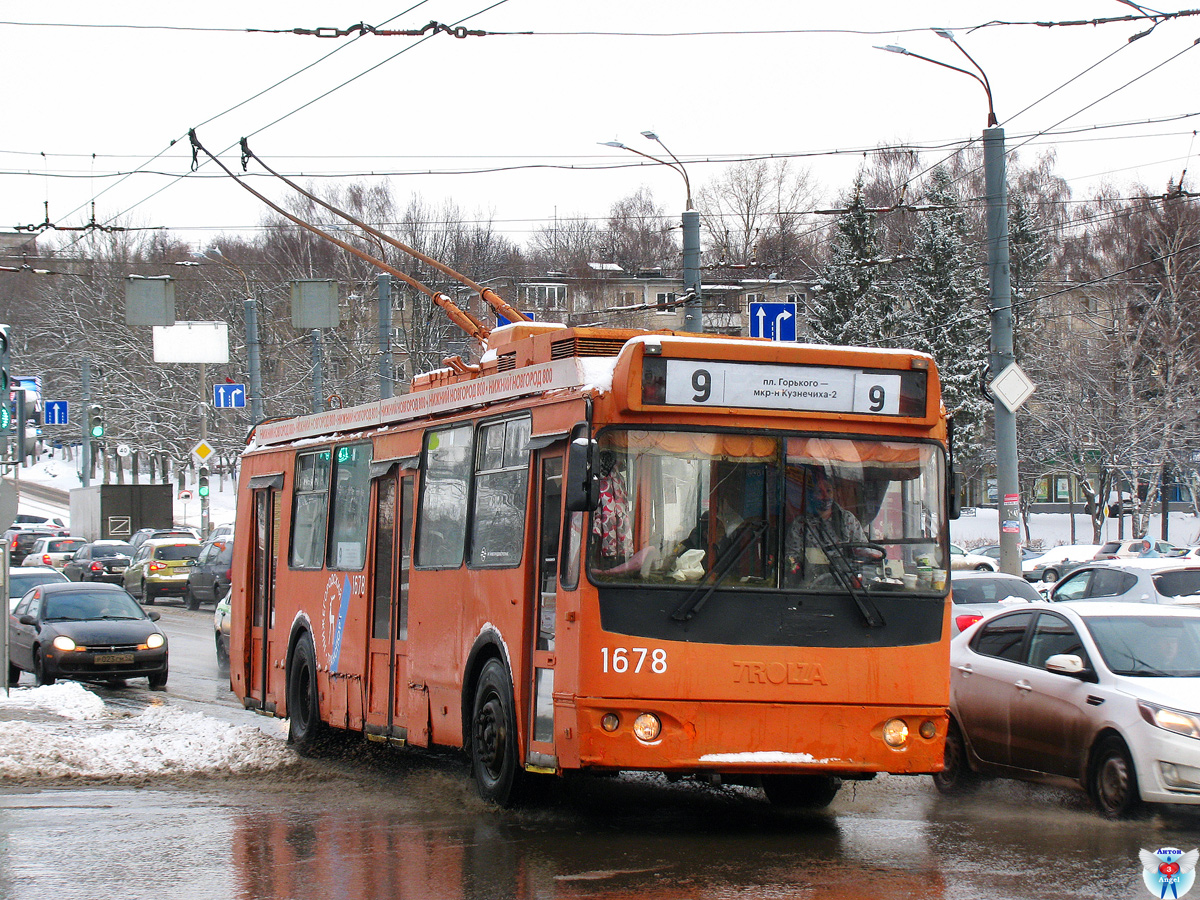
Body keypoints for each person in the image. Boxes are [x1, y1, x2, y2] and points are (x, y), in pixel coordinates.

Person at [785, 468, 866, 584]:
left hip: (845, 583)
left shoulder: (848, 519)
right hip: (811, 582)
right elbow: (791, 558)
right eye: (819, 492)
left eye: (828, 491)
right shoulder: (801, 524)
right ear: (811, 495)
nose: (825, 496)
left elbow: (862, 549)